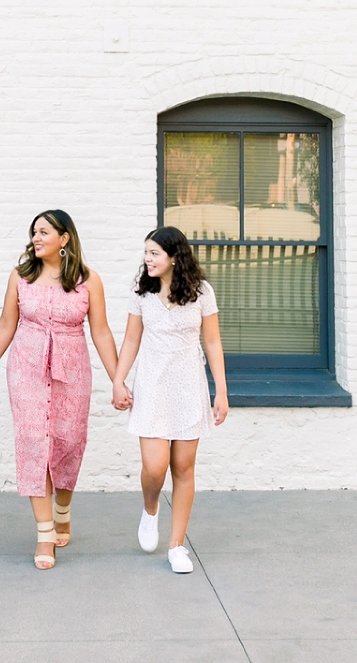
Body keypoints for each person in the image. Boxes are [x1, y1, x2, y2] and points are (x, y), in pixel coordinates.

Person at [0, 210, 118, 570]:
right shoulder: (20, 277)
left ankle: (62, 509)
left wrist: (118, 379)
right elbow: (6, 325)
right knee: (33, 445)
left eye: (44, 232)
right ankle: (44, 535)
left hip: (72, 370)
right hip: (26, 368)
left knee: (68, 442)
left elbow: (101, 331)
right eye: (34, 232)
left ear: (65, 238)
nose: (36, 238)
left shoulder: (89, 280)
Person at [112, 226, 228, 574]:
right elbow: (131, 341)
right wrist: (119, 380)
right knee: (155, 467)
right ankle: (150, 509)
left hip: (189, 387)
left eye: (154, 254)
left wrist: (221, 391)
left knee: (183, 468)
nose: (147, 260)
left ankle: (177, 546)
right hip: (152, 386)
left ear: (174, 257)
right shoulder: (142, 294)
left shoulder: (201, 292)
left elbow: (213, 342)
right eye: (146, 253)